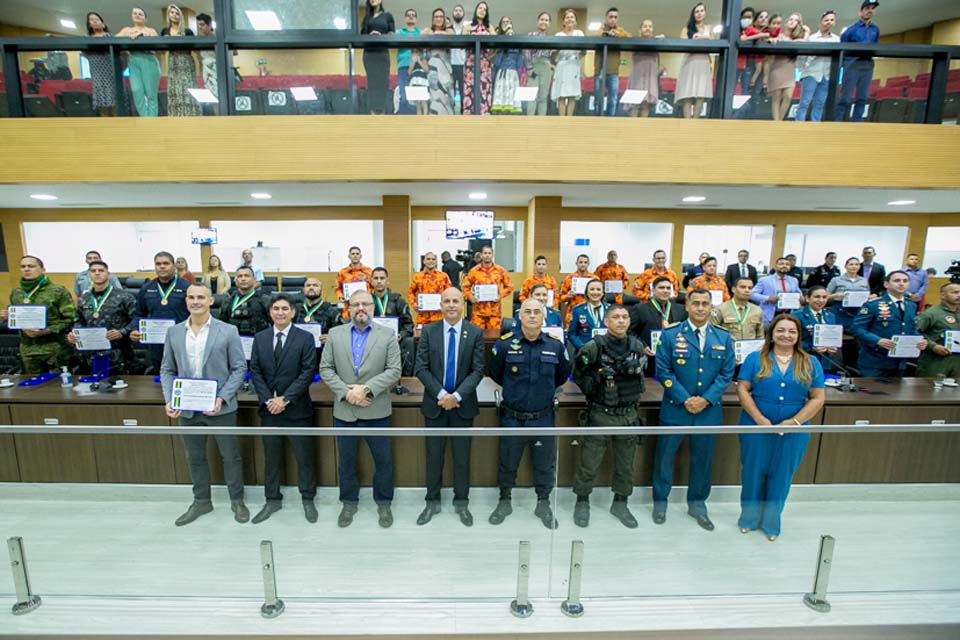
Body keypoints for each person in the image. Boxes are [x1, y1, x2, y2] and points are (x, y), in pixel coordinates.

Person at [160, 283, 248, 526]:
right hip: (187, 408)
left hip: (220, 407)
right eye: (191, 297)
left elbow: (240, 368)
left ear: (211, 301)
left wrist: (222, 397)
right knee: (194, 457)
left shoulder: (227, 331)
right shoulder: (174, 332)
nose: (195, 301)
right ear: (186, 301)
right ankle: (201, 501)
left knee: (230, 456)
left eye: (200, 297)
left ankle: (237, 500)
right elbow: (167, 369)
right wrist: (170, 398)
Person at [736, 314, 825, 540]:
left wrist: (795, 422)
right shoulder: (755, 359)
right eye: (781, 330)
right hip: (756, 427)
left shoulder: (810, 362)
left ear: (798, 336)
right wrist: (759, 419)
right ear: (771, 334)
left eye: (792, 331)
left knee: (781, 475)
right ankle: (748, 518)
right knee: (753, 473)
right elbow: (743, 389)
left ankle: (771, 524)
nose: (786, 335)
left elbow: (817, 397)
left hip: (793, 431)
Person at [652, 289, 735, 530]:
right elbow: (664, 371)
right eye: (696, 303)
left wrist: (705, 399)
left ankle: (697, 505)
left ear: (712, 308)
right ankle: (660, 502)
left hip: (708, 411)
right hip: (675, 409)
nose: (700, 308)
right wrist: (685, 399)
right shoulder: (670, 335)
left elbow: (726, 374)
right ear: (686, 306)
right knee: (664, 458)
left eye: (705, 304)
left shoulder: (723, 337)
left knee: (703, 460)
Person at [319, 290, 402, 528]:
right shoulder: (335, 334)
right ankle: (348, 502)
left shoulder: (387, 335)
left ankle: (384, 503)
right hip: (345, 410)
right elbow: (325, 369)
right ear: (349, 308)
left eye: (365, 303)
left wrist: (365, 389)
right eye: (355, 304)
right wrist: (347, 393)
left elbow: (394, 371)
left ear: (373, 307)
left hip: (376, 409)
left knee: (383, 461)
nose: (361, 308)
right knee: (346, 462)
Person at [487, 298, 571, 529]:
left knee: (544, 464)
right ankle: (505, 500)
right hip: (512, 416)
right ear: (519, 317)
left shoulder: (556, 346)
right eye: (528, 312)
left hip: (543, 417)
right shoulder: (504, 344)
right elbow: (495, 373)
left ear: (544, 316)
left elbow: (562, 375)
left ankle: (543, 503)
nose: (532, 316)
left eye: (537, 312)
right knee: (507, 461)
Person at [414, 287, 485, 526]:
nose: (451, 305)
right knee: (433, 457)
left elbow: (478, 371)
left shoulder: (475, 332)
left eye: (456, 301)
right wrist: (443, 395)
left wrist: (457, 397)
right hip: (435, 404)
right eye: (447, 301)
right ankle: (431, 503)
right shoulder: (429, 331)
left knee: (462, 459)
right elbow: (420, 368)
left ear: (463, 304)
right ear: (441, 305)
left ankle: (461, 503)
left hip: (463, 406)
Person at [571, 303, 646, 528]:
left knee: (626, 465)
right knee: (589, 464)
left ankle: (620, 503)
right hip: (600, 414)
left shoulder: (637, 345)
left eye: (624, 317)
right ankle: (582, 501)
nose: (621, 321)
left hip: (628, 415)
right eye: (615, 317)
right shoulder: (593, 347)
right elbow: (577, 374)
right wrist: (595, 385)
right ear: (606, 321)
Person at [249, 295, 319, 524]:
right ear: (270, 313)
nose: (280, 312)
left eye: (284, 309)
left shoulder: (305, 338)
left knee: (304, 457)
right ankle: (272, 500)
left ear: (292, 312)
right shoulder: (260, 338)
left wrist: (285, 399)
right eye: (276, 309)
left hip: (297, 408)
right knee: (271, 458)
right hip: (269, 409)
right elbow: (256, 371)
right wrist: (270, 399)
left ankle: (308, 499)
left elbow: (308, 372)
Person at [0, 256, 74, 374]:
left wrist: (46, 331)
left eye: (31, 266)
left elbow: (70, 319)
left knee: (57, 388)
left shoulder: (57, 291)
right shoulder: (16, 292)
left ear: (43, 269)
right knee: (32, 388)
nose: (27, 269)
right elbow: (16, 319)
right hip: (27, 349)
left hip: (54, 347)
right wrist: (9, 317)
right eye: (23, 267)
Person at [850, 271, 926, 377]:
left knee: (896, 392)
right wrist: (877, 340)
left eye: (905, 281)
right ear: (886, 284)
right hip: (875, 361)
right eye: (897, 281)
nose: (901, 284)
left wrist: (919, 339)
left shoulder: (911, 305)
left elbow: (911, 328)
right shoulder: (873, 305)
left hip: (899, 361)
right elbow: (856, 328)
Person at [69, 260, 137, 374]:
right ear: (89, 275)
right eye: (93, 271)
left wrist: (123, 332)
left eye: (101, 270)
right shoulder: (84, 298)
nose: (97, 273)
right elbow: (78, 320)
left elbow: (136, 319)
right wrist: (74, 333)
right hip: (91, 352)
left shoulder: (124, 296)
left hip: (117, 352)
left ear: (108, 274)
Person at [128, 251, 189, 373]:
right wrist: (134, 329)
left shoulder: (186, 287)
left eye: (166, 263)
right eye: (158, 264)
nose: (162, 266)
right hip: (156, 343)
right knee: (160, 378)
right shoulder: (147, 288)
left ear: (174, 266)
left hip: (182, 342)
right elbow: (139, 314)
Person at [836, 1, 880, 122]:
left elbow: (875, 47)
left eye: (872, 8)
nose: (869, 11)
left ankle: (857, 121)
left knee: (862, 97)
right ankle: (838, 121)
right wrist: (844, 65)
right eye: (867, 8)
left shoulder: (875, 29)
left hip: (867, 65)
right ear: (860, 11)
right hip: (851, 66)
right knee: (845, 97)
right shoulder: (851, 30)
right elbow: (842, 48)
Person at [629, 276, 688, 362]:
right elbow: (629, 332)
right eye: (661, 288)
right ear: (653, 290)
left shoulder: (681, 309)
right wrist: (642, 346)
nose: (665, 291)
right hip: (650, 357)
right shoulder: (640, 309)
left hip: (674, 357)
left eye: (668, 288)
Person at [116, 7, 160, 117]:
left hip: (149, 59)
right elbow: (115, 40)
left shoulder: (151, 30)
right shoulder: (127, 30)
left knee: (151, 93)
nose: (137, 15)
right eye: (134, 13)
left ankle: (152, 121)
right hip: (133, 60)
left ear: (145, 18)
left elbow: (156, 46)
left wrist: (141, 34)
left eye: (140, 14)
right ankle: (146, 119)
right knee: (136, 91)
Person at [796, 10, 839, 122]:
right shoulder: (812, 38)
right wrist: (803, 69)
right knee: (805, 102)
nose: (829, 22)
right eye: (826, 20)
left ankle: (815, 127)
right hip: (811, 73)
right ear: (820, 22)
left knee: (819, 103)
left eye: (832, 20)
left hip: (827, 75)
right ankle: (798, 126)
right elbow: (801, 57)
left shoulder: (836, 39)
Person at [370, 267, 415, 374]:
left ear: (387, 281)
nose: (379, 281)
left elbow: (408, 324)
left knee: (409, 342)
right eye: (376, 278)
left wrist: (401, 335)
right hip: (372, 343)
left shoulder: (398, 300)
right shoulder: (367, 301)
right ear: (371, 281)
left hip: (395, 342)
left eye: (382, 278)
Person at [161, 4, 201, 117]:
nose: (174, 15)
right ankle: (176, 117)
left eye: (177, 13)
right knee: (175, 90)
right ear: (168, 15)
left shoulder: (188, 31)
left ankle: (192, 116)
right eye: (172, 12)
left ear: (181, 16)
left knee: (189, 88)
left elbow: (195, 49)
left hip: (186, 60)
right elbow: (161, 51)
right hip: (173, 61)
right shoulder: (165, 31)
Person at [462, 245, 514, 331]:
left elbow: (509, 287)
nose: (487, 255)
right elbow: (465, 287)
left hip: (494, 312)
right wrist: (471, 297)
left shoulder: (500, 270)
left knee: (494, 337)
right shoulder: (474, 271)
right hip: (478, 312)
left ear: (492, 255)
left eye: (489, 253)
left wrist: (499, 295)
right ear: (481, 255)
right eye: (485, 253)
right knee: (477, 337)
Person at [675, 3, 714, 119]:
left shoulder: (709, 28)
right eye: (697, 11)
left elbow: (712, 42)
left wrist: (701, 37)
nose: (699, 13)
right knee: (688, 93)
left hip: (703, 63)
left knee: (700, 94)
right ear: (693, 14)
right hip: (689, 62)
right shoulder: (686, 29)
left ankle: (695, 121)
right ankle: (687, 121)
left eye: (702, 11)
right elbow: (683, 43)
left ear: (705, 13)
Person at [916, 282, 960, 378]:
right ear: (943, 295)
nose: (959, 295)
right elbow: (914, 333)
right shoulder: (931, 313)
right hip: (936, 360)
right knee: (928, 389)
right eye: (955, 292)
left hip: (957, 362)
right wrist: (933, 346)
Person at [768, 13, 807, 121]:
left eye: (796, 20)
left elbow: (806, 42)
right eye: (790, 19)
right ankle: (776, 122)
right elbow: (771, 42)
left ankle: (780, 120)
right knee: (777, 98)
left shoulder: (798, 39)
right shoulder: (779, 36)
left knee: (788, 96)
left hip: (789, 69)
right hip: (777, 68)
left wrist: (806, 31)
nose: (792, 21)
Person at [593, 7, 630, 117]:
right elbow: (594, 37)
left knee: (613, 99)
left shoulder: (620, 31)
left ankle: (610, 121)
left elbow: (629, 37)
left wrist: (617, 34)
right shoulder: (600, 31)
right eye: (611, 17)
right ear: (606, 18)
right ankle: (596, 121)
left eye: (615, 17)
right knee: (597, 100)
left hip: (614, 72)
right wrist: (606, 33)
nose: (613, 19)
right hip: (599, 71)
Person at [792, 286, 840, 372]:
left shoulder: (830, 316)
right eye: (817, 297)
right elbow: (791, 340)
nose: (821, 300)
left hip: (825, 362)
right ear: (807, 298)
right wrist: (811, 347)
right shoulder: (797, 316)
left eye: (824, 297)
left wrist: (833, 347)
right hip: (803, 361)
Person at [360, 0, 396, 114]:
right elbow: (362, 36)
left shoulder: (387, 16)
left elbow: (392, 35)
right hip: (369, 54)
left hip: (382, 53)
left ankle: (383, 113)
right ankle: (372, 114)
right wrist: (370, 36)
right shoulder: (367, 18)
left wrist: (381, 36)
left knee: (383, 82)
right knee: (372, 83)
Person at [219, 266, 271, 337]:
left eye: (247, 276)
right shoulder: (228, 300)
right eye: (240, 276)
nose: (243, 279)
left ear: (254, 279)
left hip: (258, 341)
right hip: (233, 341)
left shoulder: (264, 299)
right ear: (236, 281)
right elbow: (222, 324)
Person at [750, 257, 803, 324]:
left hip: (788, 314)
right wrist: (768, 298)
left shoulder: (794, 280)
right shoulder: (765, 280)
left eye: (787, 264)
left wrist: (801, 297)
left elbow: (798, 293)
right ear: (775, 267)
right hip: (770, 315)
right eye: (781, 264)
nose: (784, 266)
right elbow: (752, 294)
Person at [551, 9, 584, 117]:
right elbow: (554, 55)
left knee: (572, 94)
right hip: (561, 65)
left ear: (575, 21)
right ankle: (561, 119)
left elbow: (583, 52)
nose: (570, 19)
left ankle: (569, 119)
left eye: (572, 17)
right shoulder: (558, 35)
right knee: (561, 93)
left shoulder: (579, 34)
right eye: (567, 17)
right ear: (563, 21)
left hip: (574, 65)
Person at [463, 2, 494, 115]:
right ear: (476, 10)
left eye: (484, 9)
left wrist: (489, 57)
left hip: (484, 64)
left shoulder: (489, 27)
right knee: (470, 91)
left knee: (484, 93)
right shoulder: (468, 27)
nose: (482, 10)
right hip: (471, 63)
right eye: (480, 8)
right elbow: (462, 45)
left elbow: (495, 46)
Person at [424, 8, 456, 116]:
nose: (438, 18)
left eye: (441, 16)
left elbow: (452, 36)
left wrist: (436, 33)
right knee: (434, 99)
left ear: (444, 18)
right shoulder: (427, 30)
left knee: (447, 99)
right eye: (436, 16)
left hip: (446, 71)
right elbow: (423, 35)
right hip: (432, 71)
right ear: (432, 19)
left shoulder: (449, 31)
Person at [628, 19, 662, 118]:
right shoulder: (635, 42)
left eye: (650, 26)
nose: (648, 28)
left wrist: (660, 39)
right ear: (640, 29)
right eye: (645, 26)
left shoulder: (657, 42)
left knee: (646, 105)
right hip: (637, 77)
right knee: (634, 105)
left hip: (650, 78)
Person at [408, 251, 453, 325]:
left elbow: (450, 293)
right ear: (424, 261)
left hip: (439, 316)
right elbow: (410, 292)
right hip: (422, 317)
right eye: (428, 259)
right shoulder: (417, 277)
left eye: (433, 259)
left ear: (436, 262)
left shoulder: (443, 276)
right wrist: (414, 304)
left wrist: (446, 305)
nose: (431, 261)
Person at [826, 256, 871, 330]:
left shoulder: (864, 280)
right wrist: (836, 295)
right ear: (845, 266)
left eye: (856, 264)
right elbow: (826, 296)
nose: (854, 267)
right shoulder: (836, 279)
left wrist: (869, 297)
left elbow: (868, 294)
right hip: (840, 309)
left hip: (858, 310)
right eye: (851, 264)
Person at [84, 12, 116, 116]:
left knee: (114, 101)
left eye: (97, 19)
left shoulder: (110, 36)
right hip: (97, 74)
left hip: (111, 73)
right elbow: (84, 53)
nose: (94, 21)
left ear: (103, 24)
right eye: (91, 20)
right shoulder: (87, 39)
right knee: (102, 103)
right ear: (89, 24)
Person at [491, 16, 524, 115]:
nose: (506, 23)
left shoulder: (517, 47)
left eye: (508, 22)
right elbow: (496, 62)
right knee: (501, 93)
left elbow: (520, 64)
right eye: (504, 22)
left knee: (512, 93)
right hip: (502, 73)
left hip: (513, 73)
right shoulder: (499, 43)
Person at [567, 279, 608, 355]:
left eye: (598, 290)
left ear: (603, 293)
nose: (595, 292)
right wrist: (582, 347)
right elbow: (572, 334)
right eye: (592, 289)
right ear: (587, 292)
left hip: (606, 352)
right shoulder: (578, 310)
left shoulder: (610, 310)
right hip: (585, 352)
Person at [524, 12, 553, 116]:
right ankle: (530, 120)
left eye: (546, 20)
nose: (544, 22)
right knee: (531, 95)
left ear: (549, 23)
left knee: (543, 96)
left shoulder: (551, 39)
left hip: (545, 66)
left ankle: (542, 121)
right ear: (538, 22)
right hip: (534, 66)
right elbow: (527, 52)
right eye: (542, 19)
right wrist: (529, 68)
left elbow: (551, 55)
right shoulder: (531, 35)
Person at [334, 246, 374, 317]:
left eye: (357, 254)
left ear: (361, 256)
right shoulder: (342, 272)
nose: (355, 256)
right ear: (349, 256)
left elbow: (374, 286)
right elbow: (337, 288)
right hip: (348, 308)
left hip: (365, 306)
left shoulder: (368, 271)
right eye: (353, 254)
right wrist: (340, 296)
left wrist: (367, 279)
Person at [560, 254, 598, 326]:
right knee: (571, 334)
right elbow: (561, 297)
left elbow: (601, 295)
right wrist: (567, 296)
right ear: (576, 263)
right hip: (573, 311)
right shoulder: (569, 278)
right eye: (580, 262)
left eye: (585, 262)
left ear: (588, 264)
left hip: (590, 312)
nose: (583, 264)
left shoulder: (594, 279)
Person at [396, 8, 421, 116]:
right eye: (408, 15)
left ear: (416, 19)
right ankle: (403, 124)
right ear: (405, 18)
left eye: (413, 15)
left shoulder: (421, 33)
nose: (411, 16)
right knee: (404, 97)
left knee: (417, 98)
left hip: (417, 68)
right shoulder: (399, 32)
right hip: (403, 68)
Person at [195, 13, 218, 104]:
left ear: (209, 25)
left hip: (217, 71)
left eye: (202, 25)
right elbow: (199, 59)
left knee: (219, 97)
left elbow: (233, 52)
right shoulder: (199, 41)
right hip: (207, 73)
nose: (200, 27)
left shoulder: (217, 38)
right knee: (211, 99)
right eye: (199, 25)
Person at [450, 4, 466, 112]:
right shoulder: (448, 30)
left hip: (464, 65)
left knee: (463, 93)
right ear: (453, 14)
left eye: (460, 10)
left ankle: (463, 115)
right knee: (450, 93)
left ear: (463, 14)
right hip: (450, 65)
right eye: (456, 10)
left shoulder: (467, 29)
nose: (458, 12)